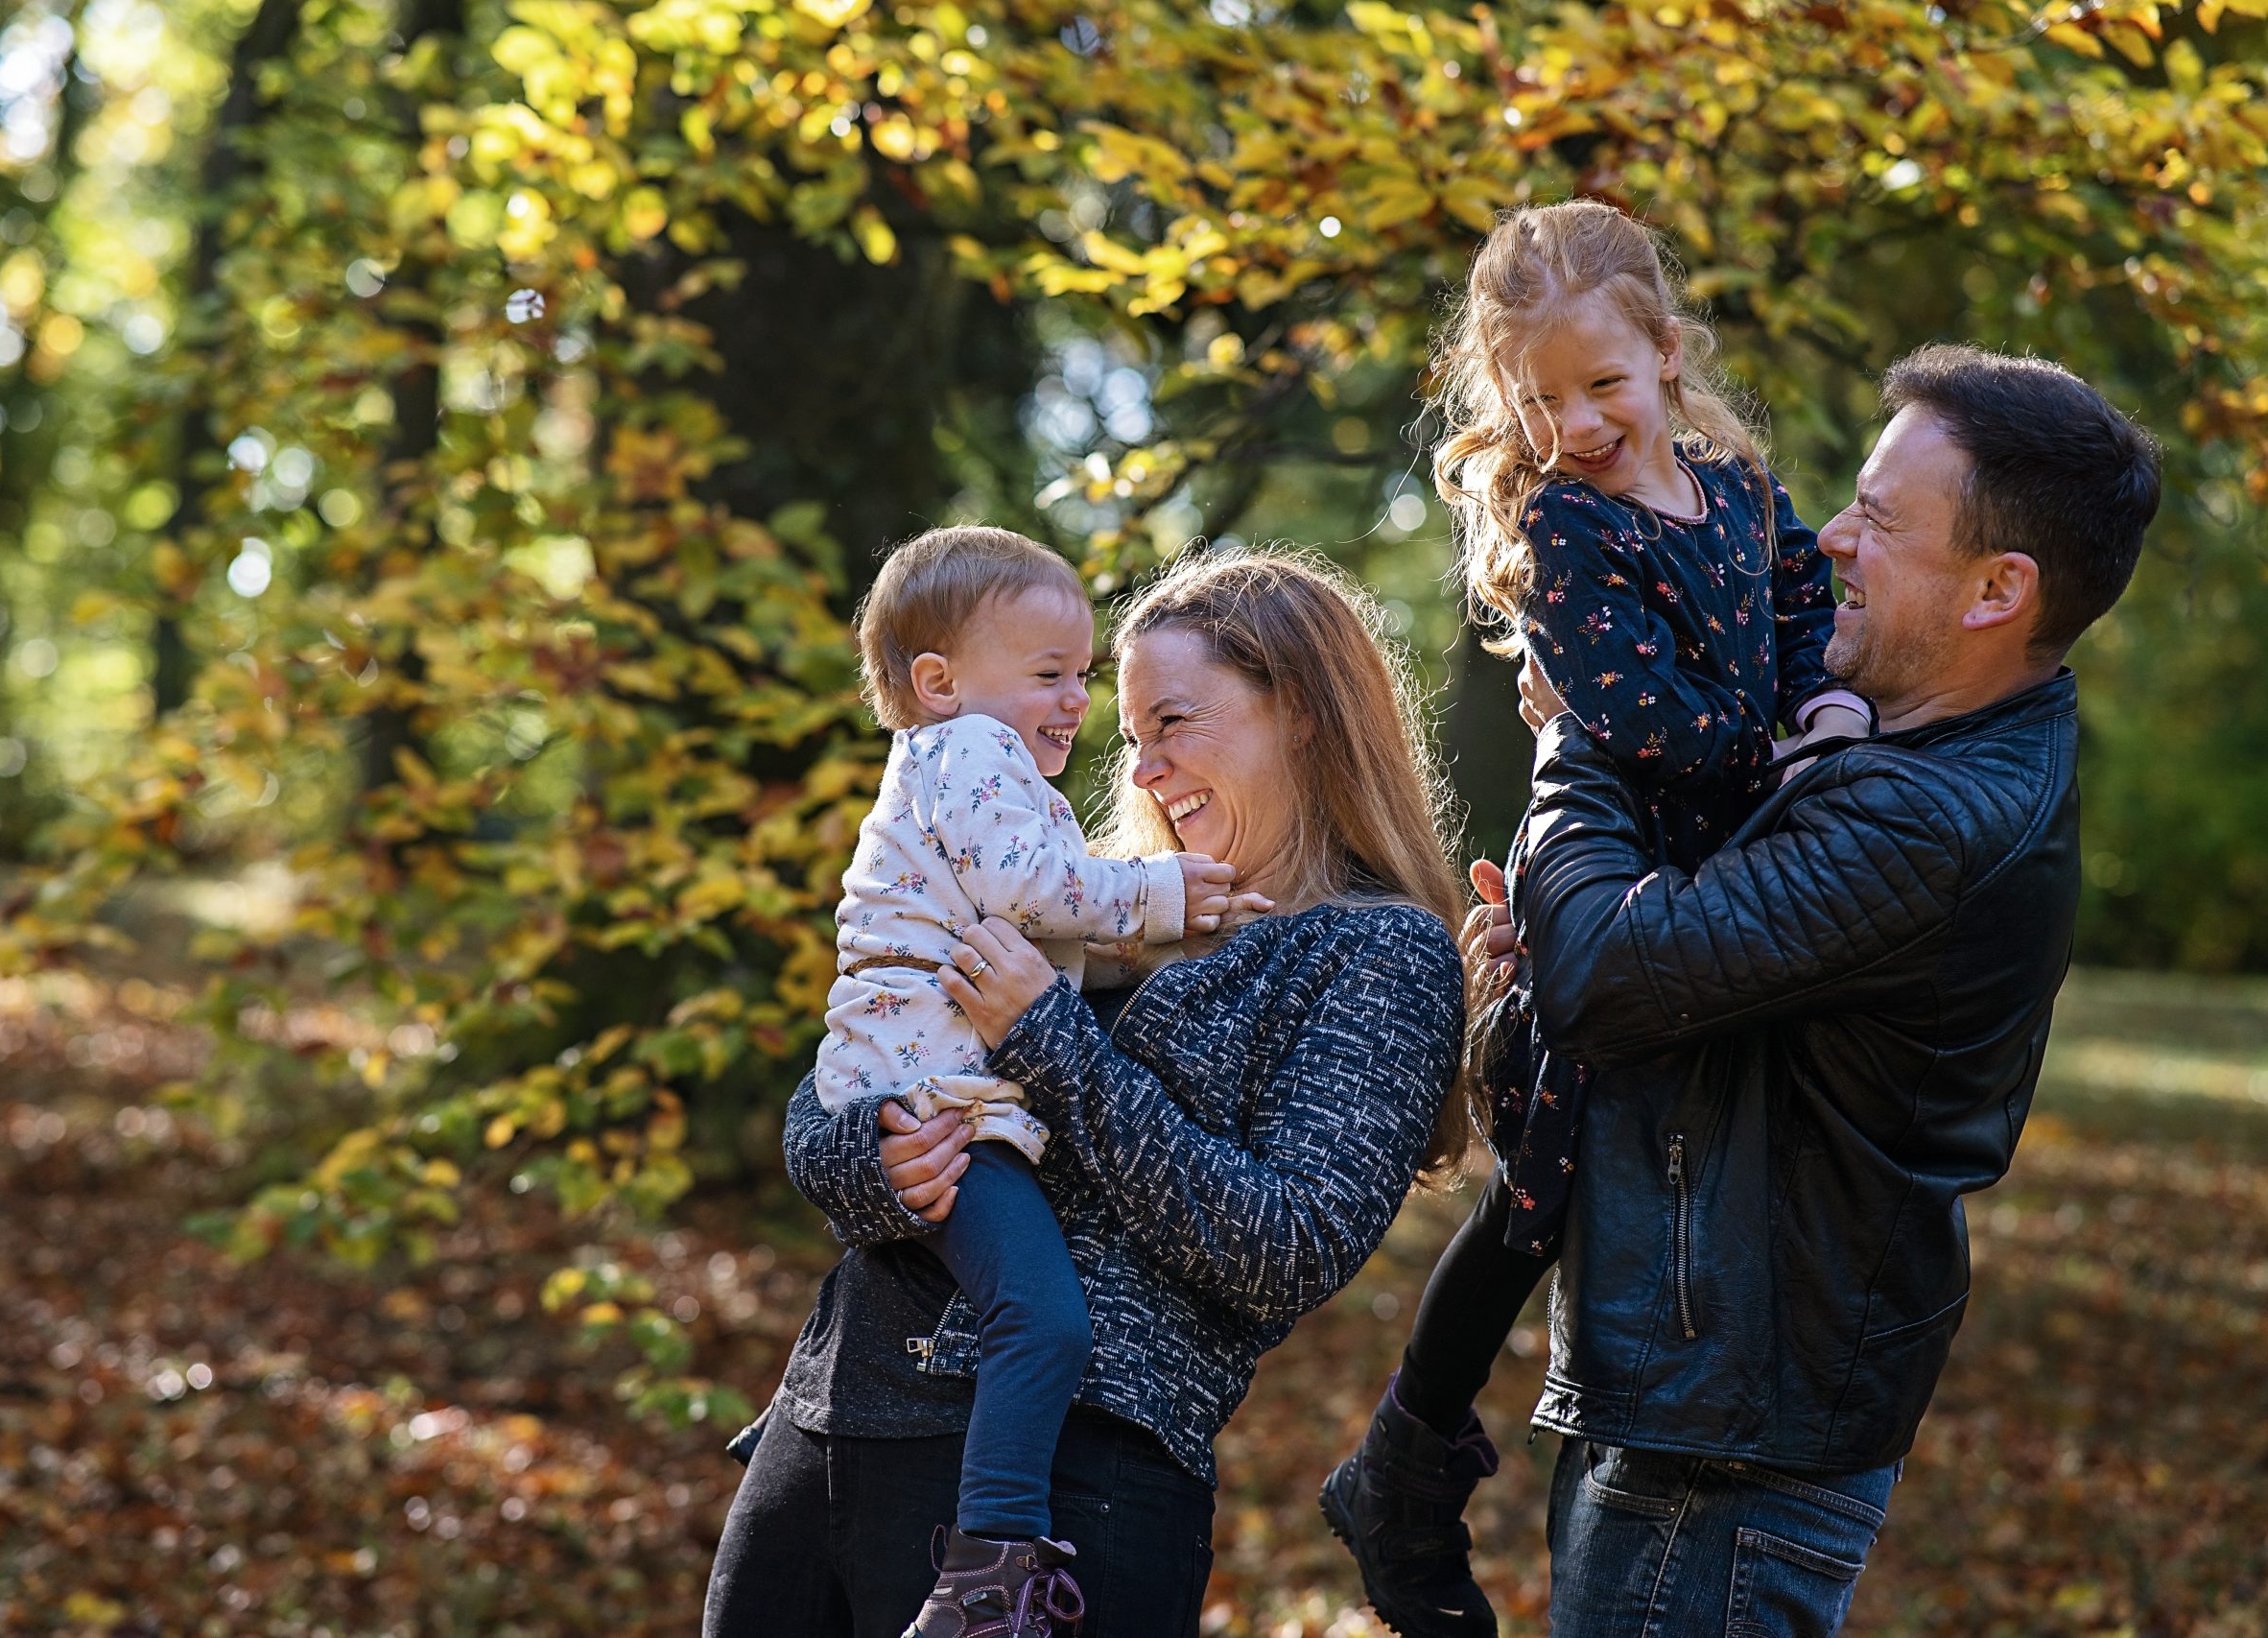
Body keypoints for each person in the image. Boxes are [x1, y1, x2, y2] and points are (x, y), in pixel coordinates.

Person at [1479, 343, 2160, 1636]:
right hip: (1709, 1404)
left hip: (1733, 1440)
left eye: (1883, 522)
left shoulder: (1929, 816)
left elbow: (1612, 969)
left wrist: (1578, 732)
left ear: (1995, 589)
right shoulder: (1903, 750)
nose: (1833, 536)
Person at [704, 552, 1475, 1638]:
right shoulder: (1086, 892)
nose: (1146, 770)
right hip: (834, 1416)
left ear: (1299, 711)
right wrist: (873, 1158)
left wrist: (1047, 1037)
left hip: (1073, 1477)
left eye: (1174, 722)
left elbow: (1289, 1245)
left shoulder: (1372, 952)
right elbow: (849, 1056)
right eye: (1133, 732)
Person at [1324, 199, 1871, 1638]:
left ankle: (1414, 1455)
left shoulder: (1736, 492)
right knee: (1537, 1191)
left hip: (1722, 881)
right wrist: (1781, 740)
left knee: (1604, 1184)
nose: (1573, 421)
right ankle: (1400, 1456)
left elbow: (1806, 595)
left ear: (1669, 357)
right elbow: (1658, 726)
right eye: (1540, 397)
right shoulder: (1560, 525)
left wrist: (1824, 692)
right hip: (1620, 885)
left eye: (1604, 386)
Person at [809, 525, 1251, 1634]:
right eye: (1049, 674)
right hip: (936, 1092)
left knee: (1030, 1311)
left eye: (1082, 674)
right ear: (939, 682)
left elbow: (1036, 932)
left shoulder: (968, 771)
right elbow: (1031, 892)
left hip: (922, 1078)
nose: (1074, 702)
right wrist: (1161, 896)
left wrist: (1141, 940)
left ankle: (992, 1552)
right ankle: (992, 1564)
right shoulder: (965, 752)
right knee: (1041, 1317)